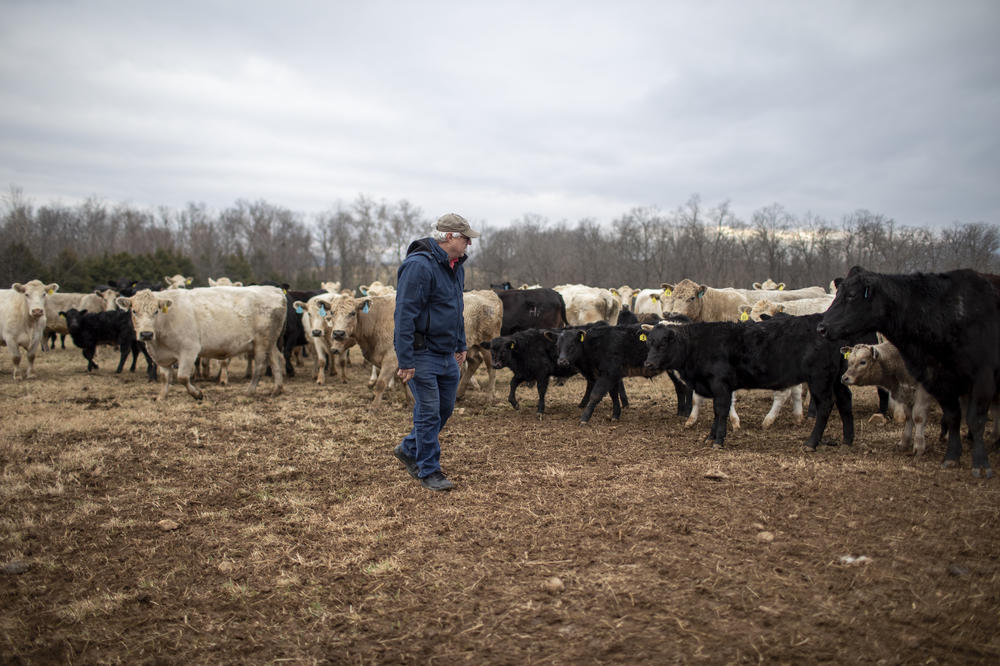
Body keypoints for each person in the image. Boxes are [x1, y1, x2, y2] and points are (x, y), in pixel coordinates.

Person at [392, 213, 479, 491]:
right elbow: (404, 314)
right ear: (450, 237)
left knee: (444, 409)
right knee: (428, 413)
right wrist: (405, 359)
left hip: (446, 353)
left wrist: (460, 343)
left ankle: (409, 447)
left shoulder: (456, 266)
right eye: (466, 239)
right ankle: (429, 470)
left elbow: (455, 309)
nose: (469, 244)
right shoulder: (419, 266)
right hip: (422, 353)